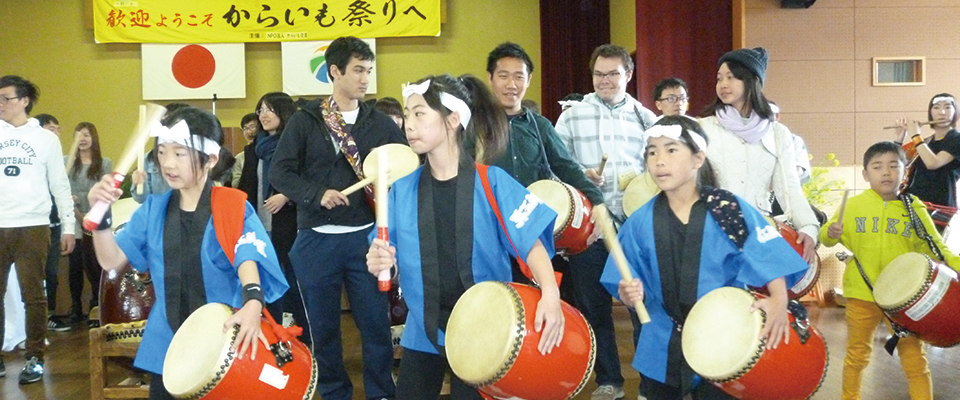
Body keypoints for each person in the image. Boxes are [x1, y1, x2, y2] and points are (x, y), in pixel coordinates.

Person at [366, 73, 565, 400]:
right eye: (407, 114)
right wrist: (381, 261)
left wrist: (550, 293)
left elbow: (531, 241)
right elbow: (386, 256)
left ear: (453, 119)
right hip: (423, 327)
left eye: (420, 114)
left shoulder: (492, 182)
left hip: (485, 328)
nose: (409, 125)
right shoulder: (400, 191)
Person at [88, 106, 288, 400]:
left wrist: (253, 303)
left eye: (179, 154)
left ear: (211, 159)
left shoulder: (232, 205)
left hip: (225, 340)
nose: (168, 163)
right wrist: (101, 219)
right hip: (169, 342)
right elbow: (111, 260)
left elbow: (248, 257)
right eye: (162, 152)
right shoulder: (153, 210)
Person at [601, 116, 807, 399]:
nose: (659, 161)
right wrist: (628, 293)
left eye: (671, 150)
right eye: (652, 152)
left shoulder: (728, 209)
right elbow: (625, 280)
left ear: (698, 158)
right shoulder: (639, 221)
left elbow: (767, 251)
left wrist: (779, 298)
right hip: (662, 338)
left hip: (724, 334)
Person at [269, 36, 404, 400]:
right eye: (358, 70)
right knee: (323, 329)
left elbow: (405, 165)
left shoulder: (379, 123)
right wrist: (316, 194)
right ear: (334, 71)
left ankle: (381, 393)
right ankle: (333, 393)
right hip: (316, 238)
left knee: (375, 326)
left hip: (368, 240)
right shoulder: (305, 120)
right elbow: (280, 172)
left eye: (368, 70)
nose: (365, 79)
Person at [820, 141, 960, 400]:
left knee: (915, 360)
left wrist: (956, 265)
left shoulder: (914, 207)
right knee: (857, 356)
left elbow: (937, 247)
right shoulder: (853, 205)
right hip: (861, 294)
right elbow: (826, 238)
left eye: (894, 166)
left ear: (905, 172)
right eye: (877, 167)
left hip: (905, 301)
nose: (886, 172)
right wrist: (830, 232)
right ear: (866, 174)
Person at [555, 43, 656, 400]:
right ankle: (609, 380)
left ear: (628, 74)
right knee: (594, 307)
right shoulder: (572, 116)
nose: (605, 81)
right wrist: (580, 175)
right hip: (589, 229)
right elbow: (554, 168)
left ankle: (649, 384)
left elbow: (660, 171)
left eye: (613, 74)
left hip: (635, 229)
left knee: (642, 306)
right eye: (599, 74)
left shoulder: (646, 119)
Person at [699, 47, 819, 263]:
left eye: (731, 77)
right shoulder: (704, 128)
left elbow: (789, 187)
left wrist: (809, 226)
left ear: (752, 80)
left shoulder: (778, 133)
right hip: (713, 231)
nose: (723, 84)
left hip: (758, 232)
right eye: (719, 78)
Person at [0, 75, 76, 384]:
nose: (1, 104)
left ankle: (34, 356)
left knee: (33, 295)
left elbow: (60, 185)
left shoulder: (46, 139)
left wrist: (68, 226)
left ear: (24, 101)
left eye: (6, 98)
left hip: (33, 225)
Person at [236, 92, 309, 345]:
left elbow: (307, 182)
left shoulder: (297, 146)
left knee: (292, 279)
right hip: (258, 223)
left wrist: (286, 195)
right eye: (260, 110)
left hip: (287, 222)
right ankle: (274, 335)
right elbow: (246, 185)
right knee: (265, 280)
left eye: (269, 110)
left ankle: (304, 338)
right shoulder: (255, 149)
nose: (263, 115)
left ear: (284, 112)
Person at [65, 122, 113, 327]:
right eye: (78, 135)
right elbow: (64, 191)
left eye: (86, 135)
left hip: (96, 216)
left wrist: (90, 218)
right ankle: (76, 307)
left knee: (96, 265)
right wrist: (79, 215)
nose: (82, 139)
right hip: (73, 217)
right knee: (75, 265)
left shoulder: (105, 163)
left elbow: (105, 192)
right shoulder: (66, 161)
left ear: (94, 138)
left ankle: (97, 305)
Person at [894, 93, 960, 232]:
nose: (942, 112)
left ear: (955, 112)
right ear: (930, 113)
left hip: (938, 208)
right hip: (913, 203)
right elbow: (897, 162)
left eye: (948, 107)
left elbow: (933, 163)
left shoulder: (956, 139)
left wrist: (916, 135)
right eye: (936, 107)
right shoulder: (926, 142)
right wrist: (900, 138)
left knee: (929, 245)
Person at [35, 113, 71, 332]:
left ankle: (49, 314)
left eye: (58, 129)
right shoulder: (35, 156)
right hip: (35, 225)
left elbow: (61, 189)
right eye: (51, 129)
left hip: (55, 225)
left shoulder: (56, 156)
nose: (56, 133)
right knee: (34, 276)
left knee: (51, 272)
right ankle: (31, 321)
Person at [130, 103, 190, 204]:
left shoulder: (195, 158)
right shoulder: (149, 159)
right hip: (159, 212)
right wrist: (139, 183)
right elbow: (142, 199)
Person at [230, 113, 259, 187]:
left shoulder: (265, 153)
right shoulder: (239, 158)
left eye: (252, 127)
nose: (249, 132)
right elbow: (235, 184)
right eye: (245, 128)